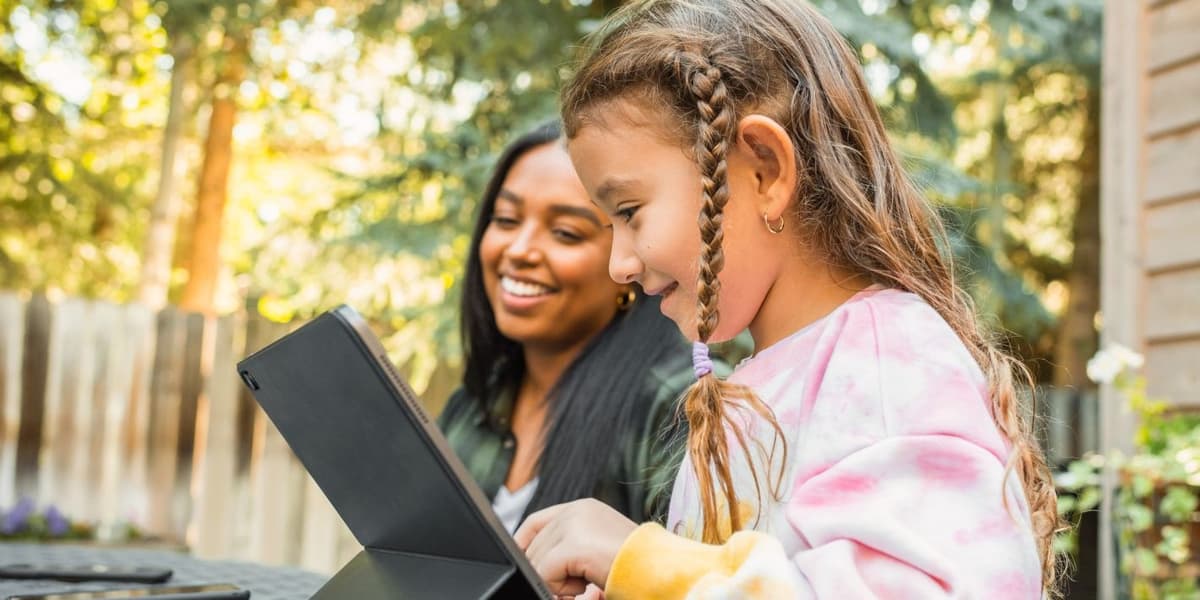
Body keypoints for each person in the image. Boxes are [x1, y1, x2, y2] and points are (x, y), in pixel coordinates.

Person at [513, 1, 1060, 598]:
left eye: (629, 211)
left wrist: (642, 562)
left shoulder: (886, 362)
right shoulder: (776, 380)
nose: (618, 264)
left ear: (766, 171)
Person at [438, 121, 699, 535]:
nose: (519, 250)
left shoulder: (683, 408)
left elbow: (706, 568)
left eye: (565, 233)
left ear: (627, 261)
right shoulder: (473, 405)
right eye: (506, 219)